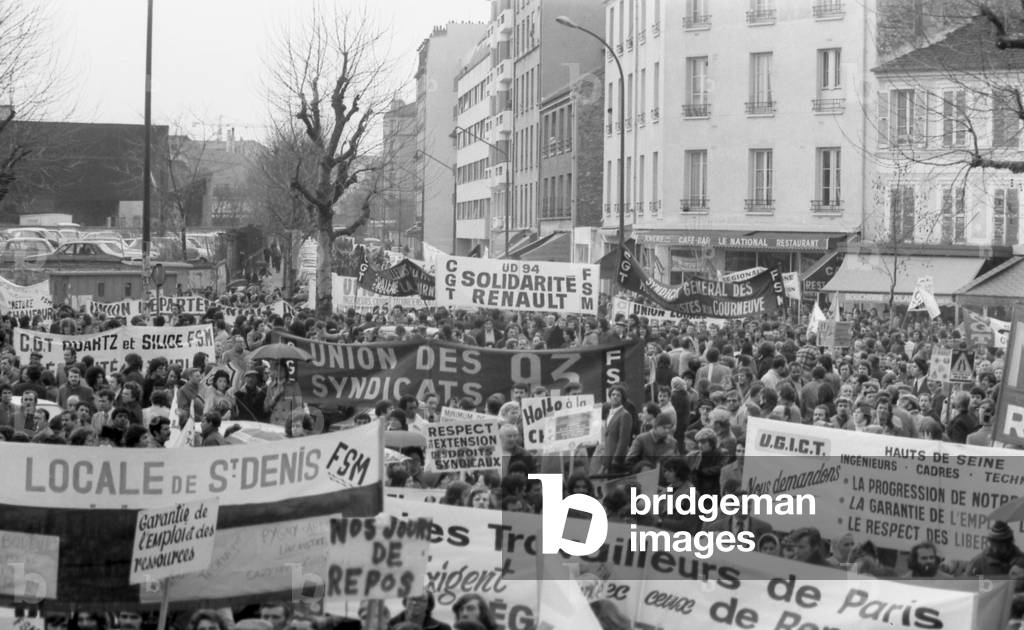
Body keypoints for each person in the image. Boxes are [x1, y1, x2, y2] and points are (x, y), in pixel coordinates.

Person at [387, 592, 451, 630]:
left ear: (428, 605)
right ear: (405, 601)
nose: (414, 603)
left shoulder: (442, 628)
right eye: (412, 599)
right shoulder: (388, 625)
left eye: (420, 600)